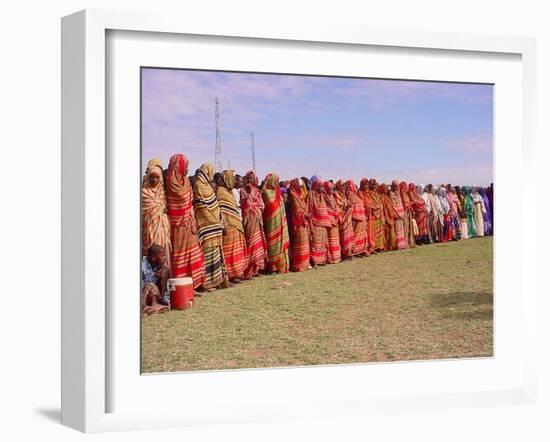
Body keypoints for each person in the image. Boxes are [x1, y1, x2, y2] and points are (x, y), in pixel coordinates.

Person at [165, 154, 205, 290]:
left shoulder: (186, 181)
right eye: (185, 166)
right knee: (180, 255)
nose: (187, 169)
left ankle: (193, 283)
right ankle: (181, 286)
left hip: (189, 222)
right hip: (177, 225)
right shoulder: (170, 181)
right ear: (178, 166)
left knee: (193, 253)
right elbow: (180, 198)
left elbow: (189, 199)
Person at [193, 163, 229, 290]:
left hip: (215, 226)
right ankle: (208, 282)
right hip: (206, 225)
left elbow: (215, 205)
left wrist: (219, 221)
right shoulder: (198, 186)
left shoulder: (208, 186)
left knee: (216, 253)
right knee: (208, 253)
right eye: (210, 172)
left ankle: (218, 280)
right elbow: (201, 206)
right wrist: (213, 221)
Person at [217, 169, 248, 282]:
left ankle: (237, 272)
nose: (234, 180)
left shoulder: (229, 191)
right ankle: (231, 274)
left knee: (236, 249)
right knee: (230, 250)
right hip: (228, 225)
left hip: (235, 223)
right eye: (233, 178)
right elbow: (222, 210)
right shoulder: (221, 191)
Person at [141, 159, 171, 262]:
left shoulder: (162, 193)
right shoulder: (143, 193)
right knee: (150, 253)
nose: (154, 180)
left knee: (161, 252)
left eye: (157, 177)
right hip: (148, 229)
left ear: (160, 178)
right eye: (151, 177)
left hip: (162, 229)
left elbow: (165, 208)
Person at [240, 170, 267, 278]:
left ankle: (257, 268)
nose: (250, 180)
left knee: (258, 243)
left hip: (257, 219)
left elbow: (262, 205)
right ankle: (249, 269)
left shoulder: (257, 191)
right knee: (250, 242)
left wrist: (255, 207)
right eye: (248, 178)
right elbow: (244, 204)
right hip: (248, 220)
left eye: (252, 178)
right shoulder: (242, 191)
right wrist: (251, 204)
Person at [262, 173, 290, 273]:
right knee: (273, 244)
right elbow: (268, 207)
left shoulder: (278, 193)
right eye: (275, 181)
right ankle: (273, 267)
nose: (276, 183)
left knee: (282, 243)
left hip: (281, 222)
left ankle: (282, 267)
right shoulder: (265, 192)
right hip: (271, 223)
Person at [288, 177, 311, 271]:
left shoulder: (300, 195)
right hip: (298, 221)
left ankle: (306, 262)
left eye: (302, 186)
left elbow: (304, 206)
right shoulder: (293, 195)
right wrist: (305, 214)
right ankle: (299, 264)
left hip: (304, 221)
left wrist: (306, 212)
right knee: (300, 241)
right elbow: (296, 209)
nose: (301, 188)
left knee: (305, 241)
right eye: (300, 186)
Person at [141, 244, 170, 315]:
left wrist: (163, 277)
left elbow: (162, 290)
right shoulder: (142, 267)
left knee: (166, 271)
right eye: (162, 256)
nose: (165, 258)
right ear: (153, 257)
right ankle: (153, 305)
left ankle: (157, 304)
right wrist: (154, 277)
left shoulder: (160, 266)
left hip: (154, 296)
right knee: (150, 285)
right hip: (142, 296)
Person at [308, 179, 331, 266]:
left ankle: (322, 260)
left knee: (322, 243)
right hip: (315, 223)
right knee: (315, 243)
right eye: (320, 187)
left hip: (323, 223)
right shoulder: (311, 195)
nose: (322, 189)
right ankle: (315, 261)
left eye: (322, 187)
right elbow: (309, 207)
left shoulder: (322, 196)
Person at [345, 179, 369, 256]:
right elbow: (349, 204)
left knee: (362, 234)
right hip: (356, 218)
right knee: (356, 235)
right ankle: (355, 251)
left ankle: (361, 250)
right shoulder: (348, 194)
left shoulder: (355, 194)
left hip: (361, 218)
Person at [334, 180, 355, 259]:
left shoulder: (343, 195)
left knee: (349, 235)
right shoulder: (336, 194)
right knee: (343, 236)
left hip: (347, 216)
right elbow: (338, 204)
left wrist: (348, 205)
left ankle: (349, 252)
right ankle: (345, 253)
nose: (343, 188)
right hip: (342, 217)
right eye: (342, 186)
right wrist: (347, 205)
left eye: (344, 186)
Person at [323, 181, 342, 264]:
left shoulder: (332, 197)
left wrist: (336, 214)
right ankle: (331, 258)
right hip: (329, 221)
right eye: (330, 189)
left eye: (333, 189)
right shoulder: (324, 197)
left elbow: (335, 207)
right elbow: (324, 209)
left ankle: (336, 257)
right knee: (330, 240)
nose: (332, 190)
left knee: (335, 239)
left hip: (334, 220)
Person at [357, 178, 375, 254]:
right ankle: (364, 249)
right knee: (365, 232)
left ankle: (371, 247)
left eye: (367, 184)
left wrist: (372, 207)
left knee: (370, 231)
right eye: (365, 184)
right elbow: (362, 203)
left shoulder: (368, 193)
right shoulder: (360, 193)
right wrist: (368, 207)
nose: (366, 186)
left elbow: (371, 202)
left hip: (370, 215)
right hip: (364, 215)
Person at [378, 183, 398, 250]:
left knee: (391, 231)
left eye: (387, 188)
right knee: (386, 231)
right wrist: (384, 216)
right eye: (385, 188)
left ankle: (391, 245)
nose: (386, 189)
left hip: (390, 216)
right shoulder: (380, 197)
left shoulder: (386, 196)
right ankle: (386, 246)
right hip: (384, 216)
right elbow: (382, 207)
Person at [367, 178, 385, 252]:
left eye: (375, 185)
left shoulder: (377, 193)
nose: (375, 186)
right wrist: (377, 207)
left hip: (380, 215)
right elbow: (370, 204)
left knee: (380, 232)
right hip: (374, 215)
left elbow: (379, 202)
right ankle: (375, 247)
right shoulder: (369, 193)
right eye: (373, 185)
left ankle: (380, 247)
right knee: (374, 232)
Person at [389, 180, 407, 250]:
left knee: (401, 230)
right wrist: (398, 213)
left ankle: (402, 244)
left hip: (401, 214)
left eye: (397, 186)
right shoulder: (391, 193)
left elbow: (400, 203)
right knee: (397, 231)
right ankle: (398, 245)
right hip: (396, 214)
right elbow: (393, 205)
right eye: (395, 186)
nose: (396, 188)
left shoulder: (398, 193)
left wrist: (401, 212)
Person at [399, 181, 416, 248]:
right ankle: (405, 242)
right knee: (405, 227)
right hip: (404, 212)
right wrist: (409, 204)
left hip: (408, 212)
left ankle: (409, 242)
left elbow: (412, 201)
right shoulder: (401, 194)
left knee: (409, 227)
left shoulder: (407, 194)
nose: (404, 188)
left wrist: (410, 205)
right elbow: (405, 204)